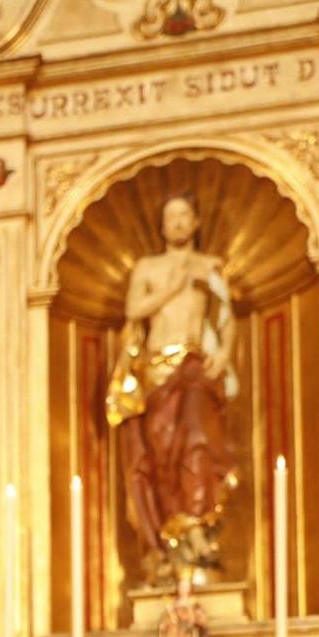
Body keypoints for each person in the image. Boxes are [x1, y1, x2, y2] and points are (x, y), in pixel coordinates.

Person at [105, 192, 237, 578]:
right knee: (160, 456)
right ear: (161, 226)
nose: (177, 222)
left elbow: (227, 315)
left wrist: (226, 353)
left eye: (184, 215)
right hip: (156, 370)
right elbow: (133, 311)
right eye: (170, 216)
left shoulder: (210, 266)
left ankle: (197, 527)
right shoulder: (147, 268)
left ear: (196, 222)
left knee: (197, 441)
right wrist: (176, 284)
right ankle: (169, 540)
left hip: (193, 367)